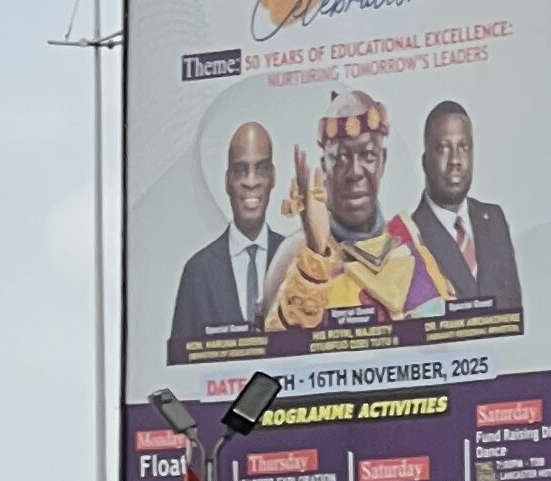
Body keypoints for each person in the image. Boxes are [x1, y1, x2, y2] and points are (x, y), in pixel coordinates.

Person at [263, 88, 451, 345]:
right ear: (324, 166)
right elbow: (277, 355)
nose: (355, 172)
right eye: (340, 157)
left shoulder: (411, 242)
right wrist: (315, 260)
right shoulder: (294, 255)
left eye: (367, 156)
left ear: (382, 161)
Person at [168, 124, 284, 359]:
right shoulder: (197, 273)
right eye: (241, 170)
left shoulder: (296, 261)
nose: (251, 181)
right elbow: (180, 366)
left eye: (260, 169)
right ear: (227, 181)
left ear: (272, 178)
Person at [407, 103, 523, 320]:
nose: (455, 161)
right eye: (443, 148)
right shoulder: (408, 237)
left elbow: (514, 309)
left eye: (464, 147)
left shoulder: (494, 219)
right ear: (424, 162)